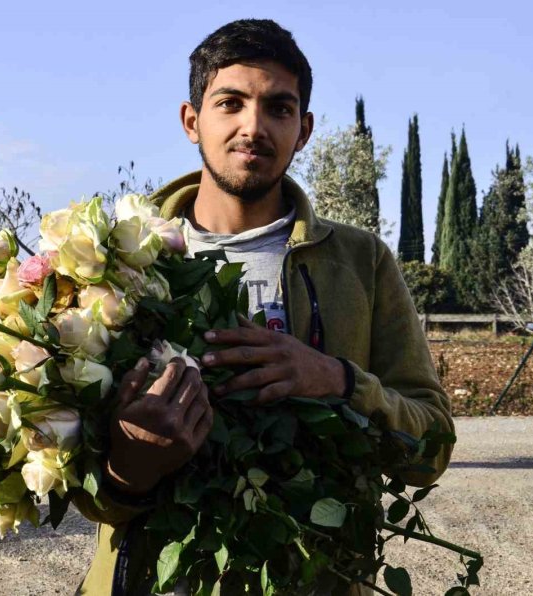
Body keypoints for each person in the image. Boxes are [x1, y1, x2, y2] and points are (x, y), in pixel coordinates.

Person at [72, 19, 454, 596]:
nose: (253, 127)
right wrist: (130, 465)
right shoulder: (111, 262)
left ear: (302, 130)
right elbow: (68, 477)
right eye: (231, 103)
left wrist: (337, 381)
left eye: (278, 108)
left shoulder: (361, 263)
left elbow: (431, 448)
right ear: (191, 120)